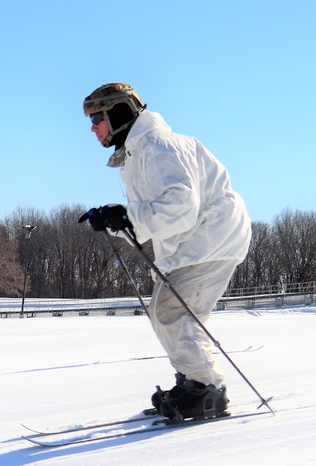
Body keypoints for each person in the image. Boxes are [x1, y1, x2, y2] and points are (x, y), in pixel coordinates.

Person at [78, 82, 252, 420]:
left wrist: (128, 216)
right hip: (194, 242)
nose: (93, 128)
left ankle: (205, 389)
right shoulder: (137, 154)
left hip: (210, 237)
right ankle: (195, 382)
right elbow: (152, 218)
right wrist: (117, 221)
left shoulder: (158, 146)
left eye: (97, 118)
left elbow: (181, 205)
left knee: (171, 312)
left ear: (119, 112)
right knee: (168, 313)